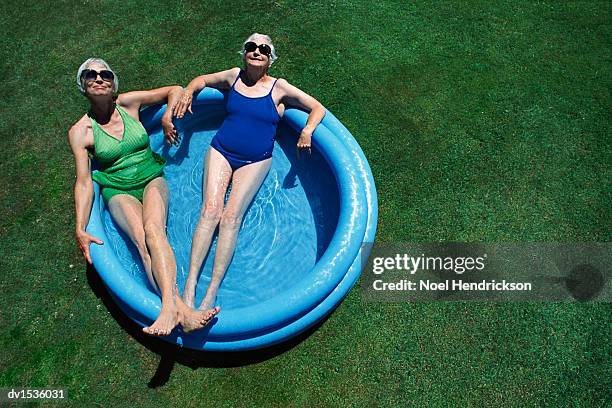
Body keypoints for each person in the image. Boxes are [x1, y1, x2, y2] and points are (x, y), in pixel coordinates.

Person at [174, 33, 326, 311]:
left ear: (270, 58)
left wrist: (307, 130)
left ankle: (211, 291)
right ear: (243, 53)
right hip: (221, 150)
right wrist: (188, 90)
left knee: (231, 217)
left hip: (255, 160)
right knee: (209, 210)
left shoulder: (280, 88)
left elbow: (317, 107)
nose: (256, 51)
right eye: (251, 47)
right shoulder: (233, 76)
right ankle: (189, 287)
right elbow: (202, 80)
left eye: (263, 49)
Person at [68, 58, 219, 336]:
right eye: (91, 75)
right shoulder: (81, 132)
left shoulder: (128, 103)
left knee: (153, 231)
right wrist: (80, 227)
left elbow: (175, 89)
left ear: (114, 84)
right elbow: (83, 182)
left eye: (105, 74)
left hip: (151, 178)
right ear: (83, 86)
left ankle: (171, 310)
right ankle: (180, 311)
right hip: (118, 189)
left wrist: (165, 116)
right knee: (140, 241)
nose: (99, 79)